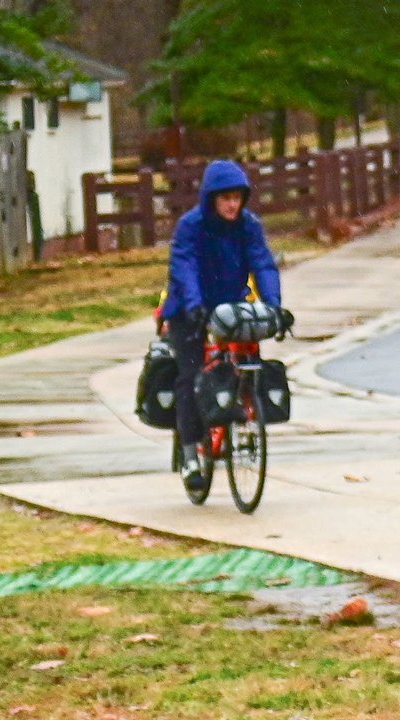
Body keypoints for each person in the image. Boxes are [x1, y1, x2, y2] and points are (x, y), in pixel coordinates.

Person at [160, 158, 282, 502]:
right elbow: (183, 266)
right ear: (211, 198)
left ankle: (244, 406)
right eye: (225, 197)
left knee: (246, 359)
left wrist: (273, 305)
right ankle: (189, 456)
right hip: (189, 308)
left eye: (237, 198)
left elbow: (262, 263)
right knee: (191, 374)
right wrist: (195, 306)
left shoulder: (249, 226)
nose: (232, 204)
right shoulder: (191, 226)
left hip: (230, 306)